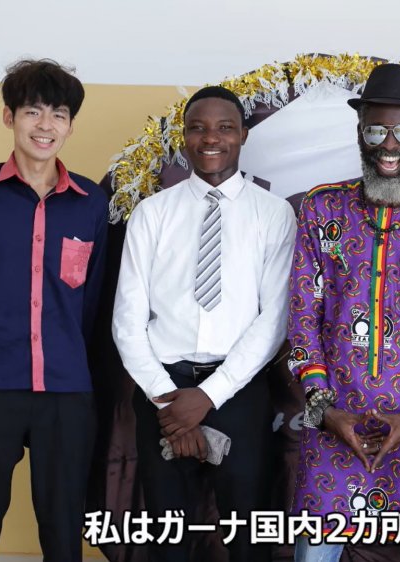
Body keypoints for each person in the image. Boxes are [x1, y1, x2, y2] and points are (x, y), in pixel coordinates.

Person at [287, 63, 400, 562]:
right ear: (359, 133)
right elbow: (303, 314)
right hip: (334, 419)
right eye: (376, 131)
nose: (389, 145)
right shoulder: (321, 208)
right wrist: (324, 409)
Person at [111, 85, 295, 561]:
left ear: (244, 135)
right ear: (184, 137)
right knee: (168, 534)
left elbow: (274, 318)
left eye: (224, 128)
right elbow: (127, 320)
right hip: (162, 391)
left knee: (246, 534)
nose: (210, 138)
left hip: (238, 390)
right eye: (198, 128)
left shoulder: (274, 214)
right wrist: (168, 402)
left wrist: (209, 395)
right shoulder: (152, 213)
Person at [0, 59, 107, 561]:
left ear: (71, 125)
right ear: (9, 117)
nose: (45, 125)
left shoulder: (91, 203)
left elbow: (93, 300)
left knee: (63, 533)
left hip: (66, 390)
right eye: (33, 111)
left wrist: (82, 371)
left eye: (58, 114)